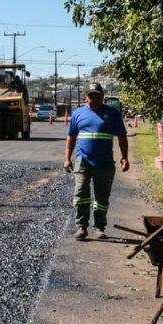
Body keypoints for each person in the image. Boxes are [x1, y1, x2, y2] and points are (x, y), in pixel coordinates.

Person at [64, 82, 129, 240]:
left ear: (102, 96)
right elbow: (71, 138)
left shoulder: (112, 114)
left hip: (105, 163)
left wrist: (125, 157)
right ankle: (81, 227)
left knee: (102, 197)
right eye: (91, 95)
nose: (94, 98)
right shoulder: (78, 114)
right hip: (83, 161)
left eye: (97, 95)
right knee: (80, 194)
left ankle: (99, 227)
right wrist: (67, 158)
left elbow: (122, 136)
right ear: (86, 97)